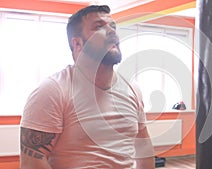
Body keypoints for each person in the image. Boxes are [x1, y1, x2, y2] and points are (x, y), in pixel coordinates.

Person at [20, 5, 154, 169]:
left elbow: (143, 147)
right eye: (99, 27)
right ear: (77, 44)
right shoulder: (52, 90)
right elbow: (32, 162)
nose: (112, 31)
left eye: (113, 26)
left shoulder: (132, 89)